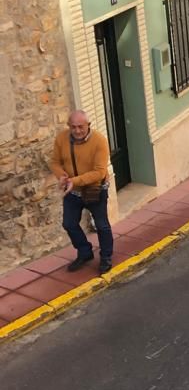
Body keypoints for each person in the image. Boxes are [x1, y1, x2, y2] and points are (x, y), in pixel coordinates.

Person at [50, 111, 113, 274]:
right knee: (69, 223)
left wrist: (74, 181)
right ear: (69, 126)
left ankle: (106, 256)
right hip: (73, 192)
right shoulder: (61, 139)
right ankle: (85, 252)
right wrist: (61, 176)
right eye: (73, 127)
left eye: (81, 127)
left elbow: (99, 172)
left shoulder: (99, 141)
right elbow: (55, 162)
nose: (77, 131)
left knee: (102, 225)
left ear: (88, 126)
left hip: (95, 190)